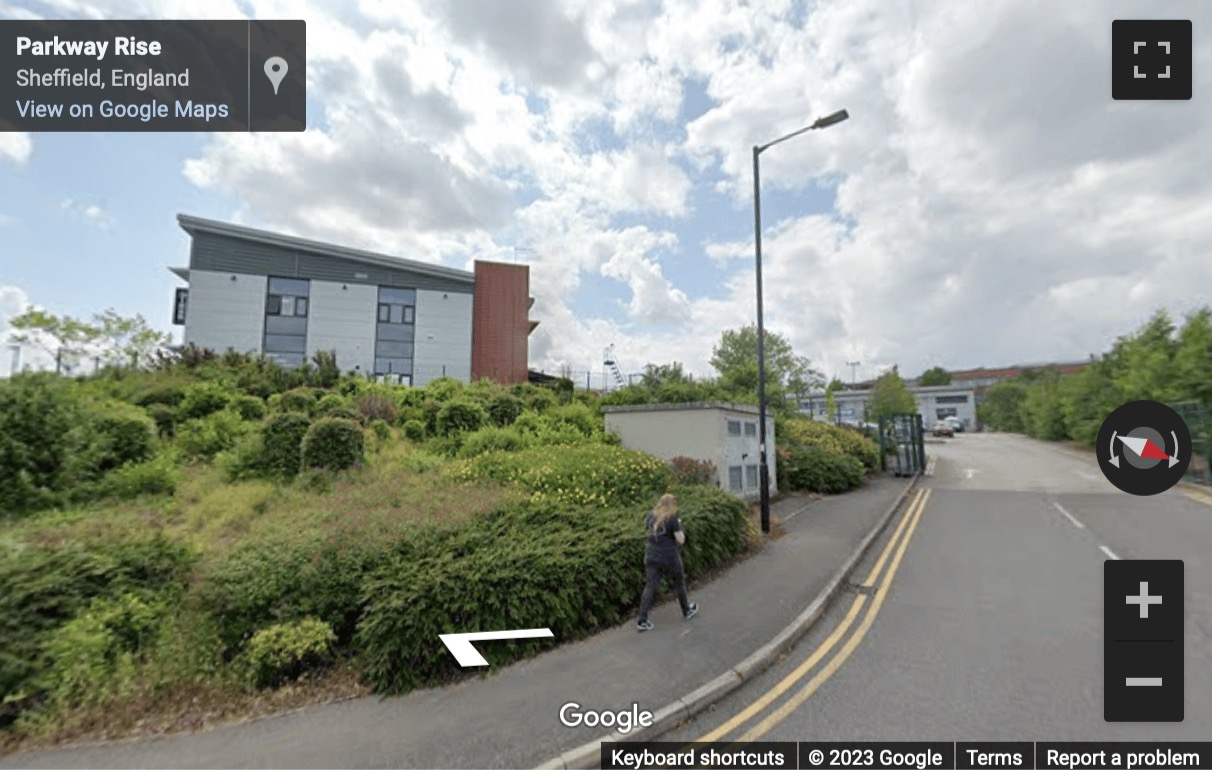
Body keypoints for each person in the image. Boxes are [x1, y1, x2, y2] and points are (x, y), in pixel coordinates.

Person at [636, 493, 698, 631]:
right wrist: (679, 527)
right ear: (672, 505)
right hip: (669, 557)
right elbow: (681, 540)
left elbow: (649, 531)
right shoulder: (672, 519)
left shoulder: (650, 516)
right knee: (679, 582)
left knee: (650, 587)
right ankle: (686, 610)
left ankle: (642, 619)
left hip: (651, 555)